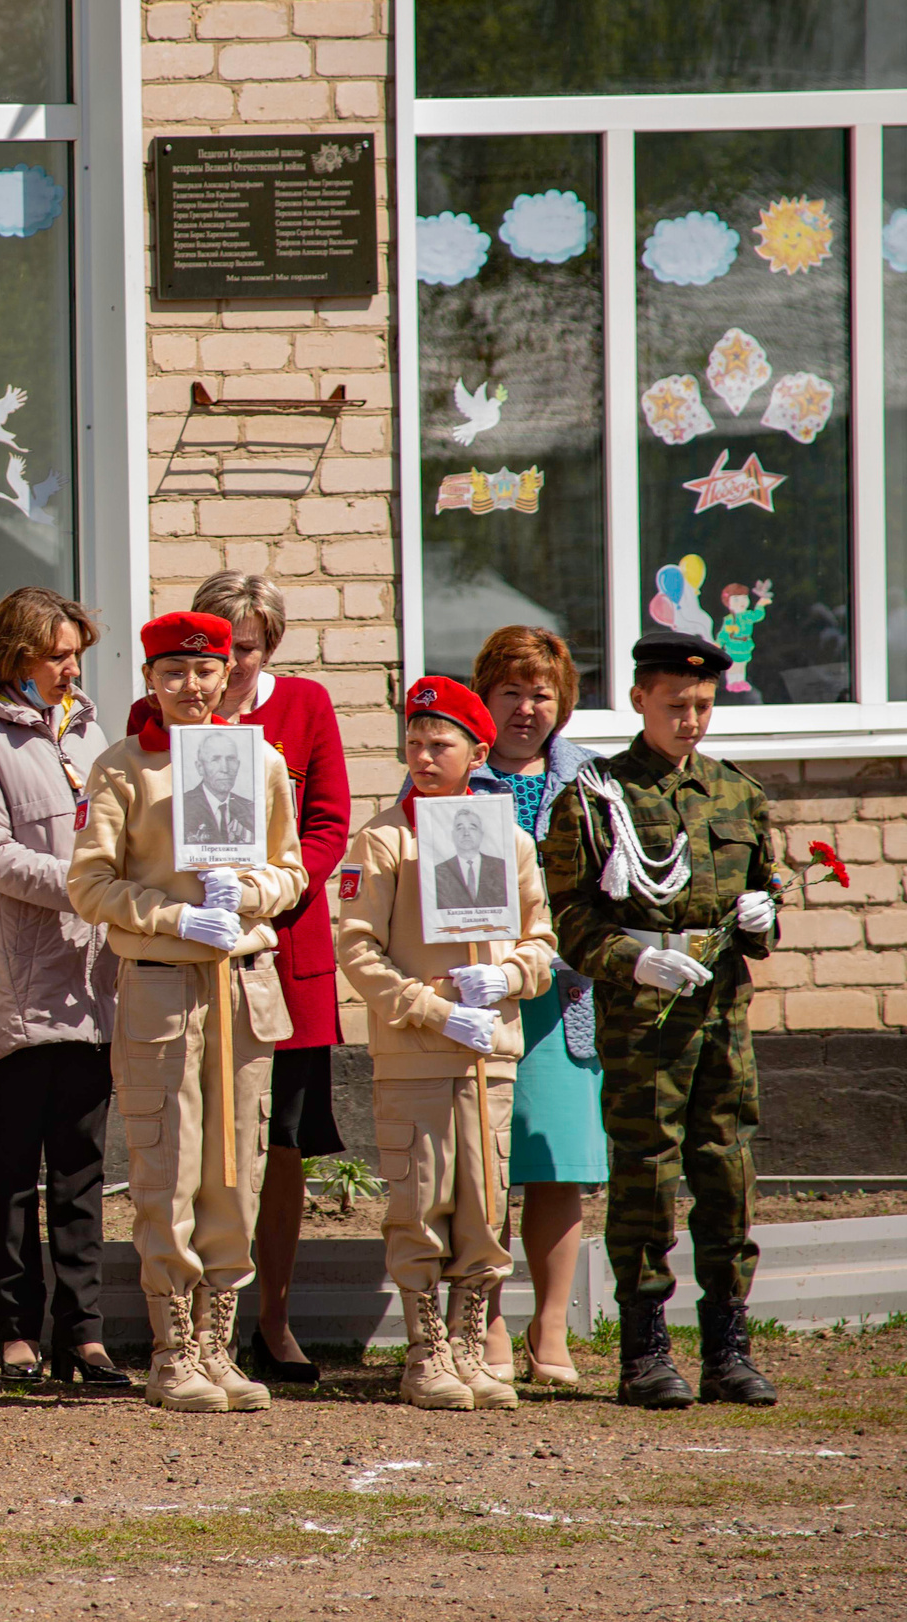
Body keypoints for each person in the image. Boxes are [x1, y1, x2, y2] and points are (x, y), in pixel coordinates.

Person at [67, 611, 306, 1414]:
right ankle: (173, 1347)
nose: (192, 687)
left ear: (227, 674)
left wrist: (251, 895)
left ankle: (218, 1341)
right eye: (174, 673)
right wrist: (172, 917)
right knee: (170, 1165)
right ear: (150, 681)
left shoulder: (261, 761)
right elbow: (89, 884)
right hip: (163, 981)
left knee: (236, 1167)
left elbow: (291, 870)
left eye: (205, 672)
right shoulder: (123, 769)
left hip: (240, 981)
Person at [541, 632, 780, 1409]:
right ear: (640, 699)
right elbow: (570, 917)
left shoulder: (738, 794)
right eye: (676, 705)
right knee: (646, 1173)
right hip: (643, 1013)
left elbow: (765, 904)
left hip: (721, 1010)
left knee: (727, 1166)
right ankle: (644, 1349)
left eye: (704, 706)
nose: (692, 720)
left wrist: (762, 916)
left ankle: (727, 1344)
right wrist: (632, 960)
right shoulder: (598, 793)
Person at [336, 677, 553, 1410]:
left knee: (485, 1204)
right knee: (420, 1198)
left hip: (488, 1052)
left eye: (441, 744)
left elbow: (540, 940)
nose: (424, 757)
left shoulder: (510, 841)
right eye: (415, 743)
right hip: (416, 1052)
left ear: (477, 751)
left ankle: (470, 1345)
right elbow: (359, 949)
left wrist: (509, 978)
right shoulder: (384, 839)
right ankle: (425, 1349)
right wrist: (428, 1008)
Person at [0, 587, 128, 1390]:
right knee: (13, 1169)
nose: (71, 667)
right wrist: (93, 885)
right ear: (16, 655)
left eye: (77, 653)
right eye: (57, 655)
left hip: (91, 975)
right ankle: (15, 1334)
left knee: (82, 1168)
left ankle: (83, 1333)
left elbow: (120, 826)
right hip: (14, 978)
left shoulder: (87, 725)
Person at [193, 571, 350, 1385]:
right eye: (219, 650)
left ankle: (274, 1320)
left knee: (281, 1140)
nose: (231, 666)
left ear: (270, 647)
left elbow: (327, 822)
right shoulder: (174, 712)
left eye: (244, 650)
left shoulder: (306, 708)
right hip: (202, 946)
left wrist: (277, 887)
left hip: (288, 947)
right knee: (206, 1134)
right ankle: (197, 1324)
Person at [459, 627, 604, 1386]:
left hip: (564, 997)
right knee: (484, 1167)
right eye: (510, 692)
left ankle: (550, 1333)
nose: (525, 708)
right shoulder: (455, 773)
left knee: (555, 1163)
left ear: (563, 703)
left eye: (541, 693)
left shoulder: (592, 781)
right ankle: (484, 1325)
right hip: (483, 997)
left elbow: (614, 886)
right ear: (485, 698)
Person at [181, 735, 256, 846]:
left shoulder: (250, 809)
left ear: (238, 765)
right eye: (215, 760)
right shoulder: (182, 806)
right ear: (200, 767)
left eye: (230, 759)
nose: (225, 769)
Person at [433, 807, 510, 910]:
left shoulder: (501, 867)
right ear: (452, 835)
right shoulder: (439, 871)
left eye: (472, 828)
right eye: (460, 828)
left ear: (481, 834)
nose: (466, 833)